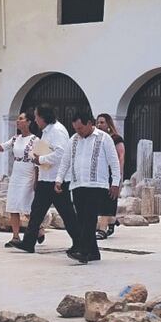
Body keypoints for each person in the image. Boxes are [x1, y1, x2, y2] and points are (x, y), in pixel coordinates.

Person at [12, 104, 80, 253]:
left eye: (36, 117)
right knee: (36, 212)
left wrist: (41, 159)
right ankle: (28, 242)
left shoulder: (57, 131)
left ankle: (79, 242)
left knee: (67, 214)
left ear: (43, 117)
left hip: (57, 180)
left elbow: (61, 154)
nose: (35, 120)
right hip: (45, 178)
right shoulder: (46, 131)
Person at [57, 110, 121, 264]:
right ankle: (94, 252)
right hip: (78, 184)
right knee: (82, 219)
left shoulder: (104, 138)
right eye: (75, 128)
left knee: (89, 218)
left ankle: (83, 251)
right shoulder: (73, 140)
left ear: (89, 124)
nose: (78, 131)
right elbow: (65, 160)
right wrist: (59, 179)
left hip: (97, 184)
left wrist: (115, 183)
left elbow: (114, 161)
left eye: (80, 128)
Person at [0, 111, 44, 247]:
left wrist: (36, 180)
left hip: (29, 173)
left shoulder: (36, 140)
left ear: (28, 122)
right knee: (13, 205)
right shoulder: (15, 138)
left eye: (21, 119)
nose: (18, 121)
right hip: (16, 172)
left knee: (26, 205)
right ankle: (15, 237)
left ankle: (37, 228)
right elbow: (1, 148)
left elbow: (41, 161)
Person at [95, 113, 125, 240]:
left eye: (102, 122)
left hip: (112, 175)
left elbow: (121, 157)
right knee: (101, 201)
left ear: (108, 124)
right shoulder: (97, 139)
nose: (99, 125)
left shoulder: (116, 139)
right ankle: (112, 220)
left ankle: (102, 229)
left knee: (108, 201)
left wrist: (118, 178)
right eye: (98, 122)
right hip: (100, 174)